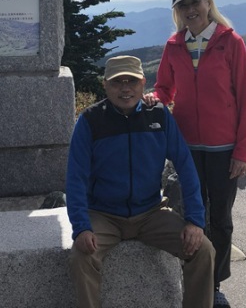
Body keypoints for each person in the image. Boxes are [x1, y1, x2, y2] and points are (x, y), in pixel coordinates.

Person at [66, 55, 216, 308]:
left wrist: (195, 221)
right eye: (117, 82)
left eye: (132, 81)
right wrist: (81, 227)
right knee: (82, 257)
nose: (125, 88)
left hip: (150, 213)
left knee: (203, 250)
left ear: (143, 83)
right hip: (104, 214)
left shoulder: (158, 115)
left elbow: (186, 167)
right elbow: (75, 178)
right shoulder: (90, 121)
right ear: (105, 85)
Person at [143, 0, 246, 308]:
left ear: (208, 2)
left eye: (195, 2)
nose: (190, 9)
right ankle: (195, 274)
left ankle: (214, 284)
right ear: (177, 11)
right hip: (187, 147)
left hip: (225, 148)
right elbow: (165, 89)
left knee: (220, 218)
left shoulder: (231, 42)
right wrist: (153, 98)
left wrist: (242, 152)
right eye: (183, 5)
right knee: (192, 215)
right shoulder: (174, 45)